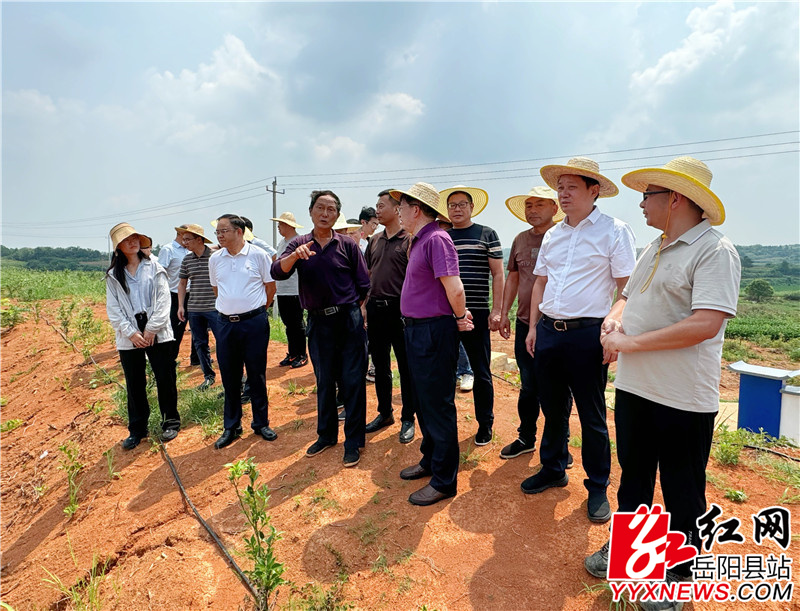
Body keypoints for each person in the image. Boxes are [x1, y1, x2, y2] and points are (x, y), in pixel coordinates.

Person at [585, 158, 741, 607]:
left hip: (681, 397)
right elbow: (626, 296)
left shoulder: (714, 250)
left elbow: (705, 323)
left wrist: (630, 344)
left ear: (674, 198)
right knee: (634, 478)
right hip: (635, 388)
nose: (641, 204)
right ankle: (632, 552)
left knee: (681, 489)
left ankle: (678, 576)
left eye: (647, 195)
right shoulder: (655, 247)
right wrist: (613, 321)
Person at [523, 157, 636, 523]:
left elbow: (627, 288)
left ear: (594, 190)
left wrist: (615, 329)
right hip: (549, 331)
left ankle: (598, 484)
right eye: (560, 188)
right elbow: (541, 282)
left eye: (572, 187)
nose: (564, 194)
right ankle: (553, 468)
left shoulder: (614, 231)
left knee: (591, 414)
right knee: (552, 407)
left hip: (588, 334)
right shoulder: (553, 235)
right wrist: (533, 327)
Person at [271, 191, 370, 468]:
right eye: (320, 208)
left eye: (331, 209)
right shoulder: (299, 244)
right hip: (318, 322)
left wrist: (354, 311)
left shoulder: (348, 245)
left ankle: (353, 442)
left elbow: (363, 284)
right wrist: (295, 257)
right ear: (311, 211)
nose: (325, 214)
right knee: (324, 380)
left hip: (348, 320)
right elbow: (277, 271)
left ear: (337, 215)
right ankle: (326, 435)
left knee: (352, 381)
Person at [393, 182, 474, 506]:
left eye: (401, 207)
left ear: (416, 210)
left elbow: (455, 288)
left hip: (433, 331)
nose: (398, 212)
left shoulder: (437, 239)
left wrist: (460, 317)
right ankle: (430, 459)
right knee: (423, 400)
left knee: (438, 405)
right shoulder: (419, 240)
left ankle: (444, 480)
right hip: (417, 330)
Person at [498, 186, 564, 459]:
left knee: (557, 389)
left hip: (556, 326)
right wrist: (504, 312)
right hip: (525, 323)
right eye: (529, 205)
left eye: (539, 204)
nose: (533, 210)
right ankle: (526, 437)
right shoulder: (520, 240)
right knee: (528, 386)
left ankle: (559, 444)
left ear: (554, 208)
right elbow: (513, 277)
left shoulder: (564, 237)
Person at [106, 223, 180, 449]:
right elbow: (113, 309)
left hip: (156, 328)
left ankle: (170, 422)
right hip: (129, 332)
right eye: (126, 240)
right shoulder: (113, 275)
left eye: (135, 238)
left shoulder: (154, 267)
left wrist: (151, 329)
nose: (133, 242)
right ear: (118, 247)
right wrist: (131, 332)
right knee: (134, 381)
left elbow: (164, 301)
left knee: (165, 377)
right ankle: (137, 429)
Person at [440, 185, 504, 446]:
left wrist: (497, 310)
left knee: (481, 371)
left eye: (462, 204)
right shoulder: (442, 237)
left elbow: (498, 274)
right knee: (445, 372)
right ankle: (446, 428)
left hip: (476, 313)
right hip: (445, 313)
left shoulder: (487, 234)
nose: (457, 209)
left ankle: (485, 424)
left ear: (471, 207)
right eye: (452, 205)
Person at [208, 214, 277, 449]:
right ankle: (232, 426)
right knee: (229, 375)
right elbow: (217, 289)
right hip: (225, 324)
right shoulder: (215, 259)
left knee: (256, 373)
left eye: (224, 231)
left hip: (254, 323)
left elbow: (270, 287)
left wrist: (257, 311)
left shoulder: (258, 255)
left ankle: (261, 423)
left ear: (239, 232)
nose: (219, 235)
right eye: (217, 232)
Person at [363, 189, 415, 444]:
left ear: (396, 209)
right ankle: (385, 413)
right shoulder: (374, 241)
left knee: (406, 367)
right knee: (380, 366)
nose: (377, 210)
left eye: (381, 205)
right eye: (376, 205)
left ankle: (408, 418)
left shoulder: (410, 240)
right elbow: (367, 275)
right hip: (376, 309)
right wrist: (364, 305)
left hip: (401, 312)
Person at [177, 224, 217, 390]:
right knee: (200, 344)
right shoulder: (187, 259)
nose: (184, 243)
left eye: (188, 239)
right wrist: (181, 306)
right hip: (194, 308)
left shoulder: (215, 257)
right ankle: (208, 376)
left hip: (215, 308)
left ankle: (236, 376)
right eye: (183, 239)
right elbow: (182, 283)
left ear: (199, 239)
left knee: (223, 343)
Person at [270, 212, 308, 368]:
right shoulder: (281, 243)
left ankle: (302, 354)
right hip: (282, 290)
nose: (278, 227)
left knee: (297, 324)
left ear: (288, 225)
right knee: (288, 324)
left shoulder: (299, 242)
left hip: (295, 290)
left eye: (280, 224)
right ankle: (292, 353)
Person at [157, 226, 190, 361]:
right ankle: (169, 360)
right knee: (175, 329)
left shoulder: (189, 250)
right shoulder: (168, 250)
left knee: (196, 328)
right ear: (181, 234)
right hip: (174, 295)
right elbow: (160, 274)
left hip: (191, 294)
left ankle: (196, 359)